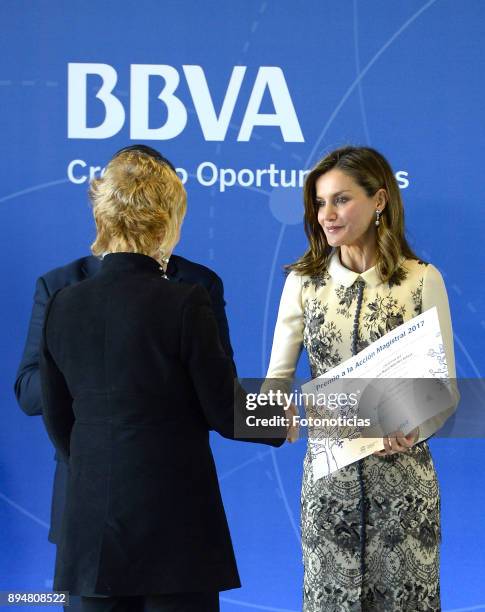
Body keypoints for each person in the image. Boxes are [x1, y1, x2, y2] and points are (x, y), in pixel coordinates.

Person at [38, 147, 285, 612]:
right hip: (175, 528)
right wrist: (280, 423)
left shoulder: (62, 304)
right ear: (167, 220)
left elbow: (57, 419)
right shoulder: (185, 302)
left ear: (103, 216)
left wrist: (100, 466)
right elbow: (223, 408)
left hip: (92, 532)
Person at [266, 146, 459, 611]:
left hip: (404, 487)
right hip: (328, 489)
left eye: (340, 200)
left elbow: (444, 389)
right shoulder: (302, 282)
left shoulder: (420, 281)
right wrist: (277, 408)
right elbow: (277, 378)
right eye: (319, 202)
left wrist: (415, 426)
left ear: (379, 201)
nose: (326, 214)